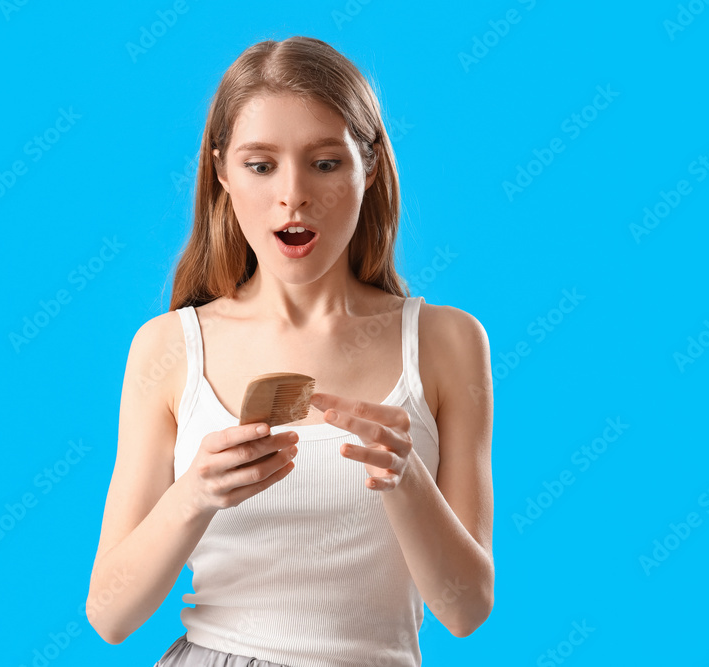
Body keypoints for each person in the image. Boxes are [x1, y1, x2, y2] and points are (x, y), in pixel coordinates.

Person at [86, 35, 495, 667]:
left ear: (372, 166)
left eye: (325, 163)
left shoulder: (448, 343)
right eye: (261, 164)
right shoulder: (168, 348)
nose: (293, 195)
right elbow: (111, 616)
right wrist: (194, 494)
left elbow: (466, 610)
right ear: (222, 171)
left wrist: (407, 480)